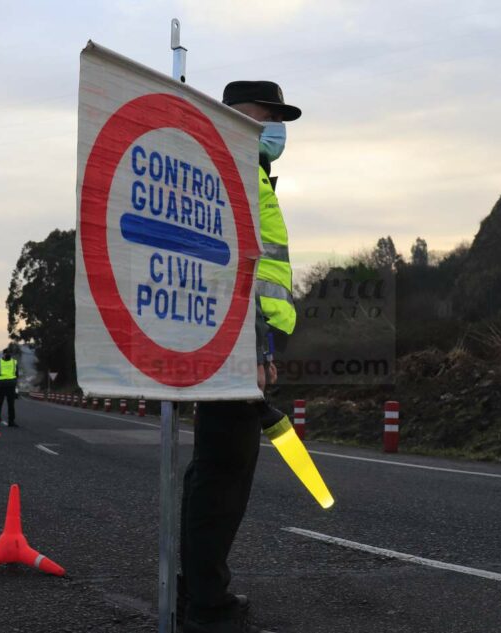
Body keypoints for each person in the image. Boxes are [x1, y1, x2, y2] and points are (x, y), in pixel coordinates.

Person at [179, 80, 301, 633]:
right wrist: (250, 346)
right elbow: (229, 268)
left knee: (216, 472)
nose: (277, 128)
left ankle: (199, 590)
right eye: (267, 115)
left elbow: (257, 270)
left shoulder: (246, 173)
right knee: (223, 475)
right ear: (237, 118)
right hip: (229, 346)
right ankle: (206, 603)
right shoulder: (229, 173)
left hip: (238, 344)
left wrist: (264, 346)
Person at [0, 348, 18, 427]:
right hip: (2, 386)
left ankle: (10, 421)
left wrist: (14, 382)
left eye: (10, 353)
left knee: (10, 405)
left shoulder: (14, 362)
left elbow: (16, 373)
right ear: (3, 354)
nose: (8, 354)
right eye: (7, 353)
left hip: (9, 386)